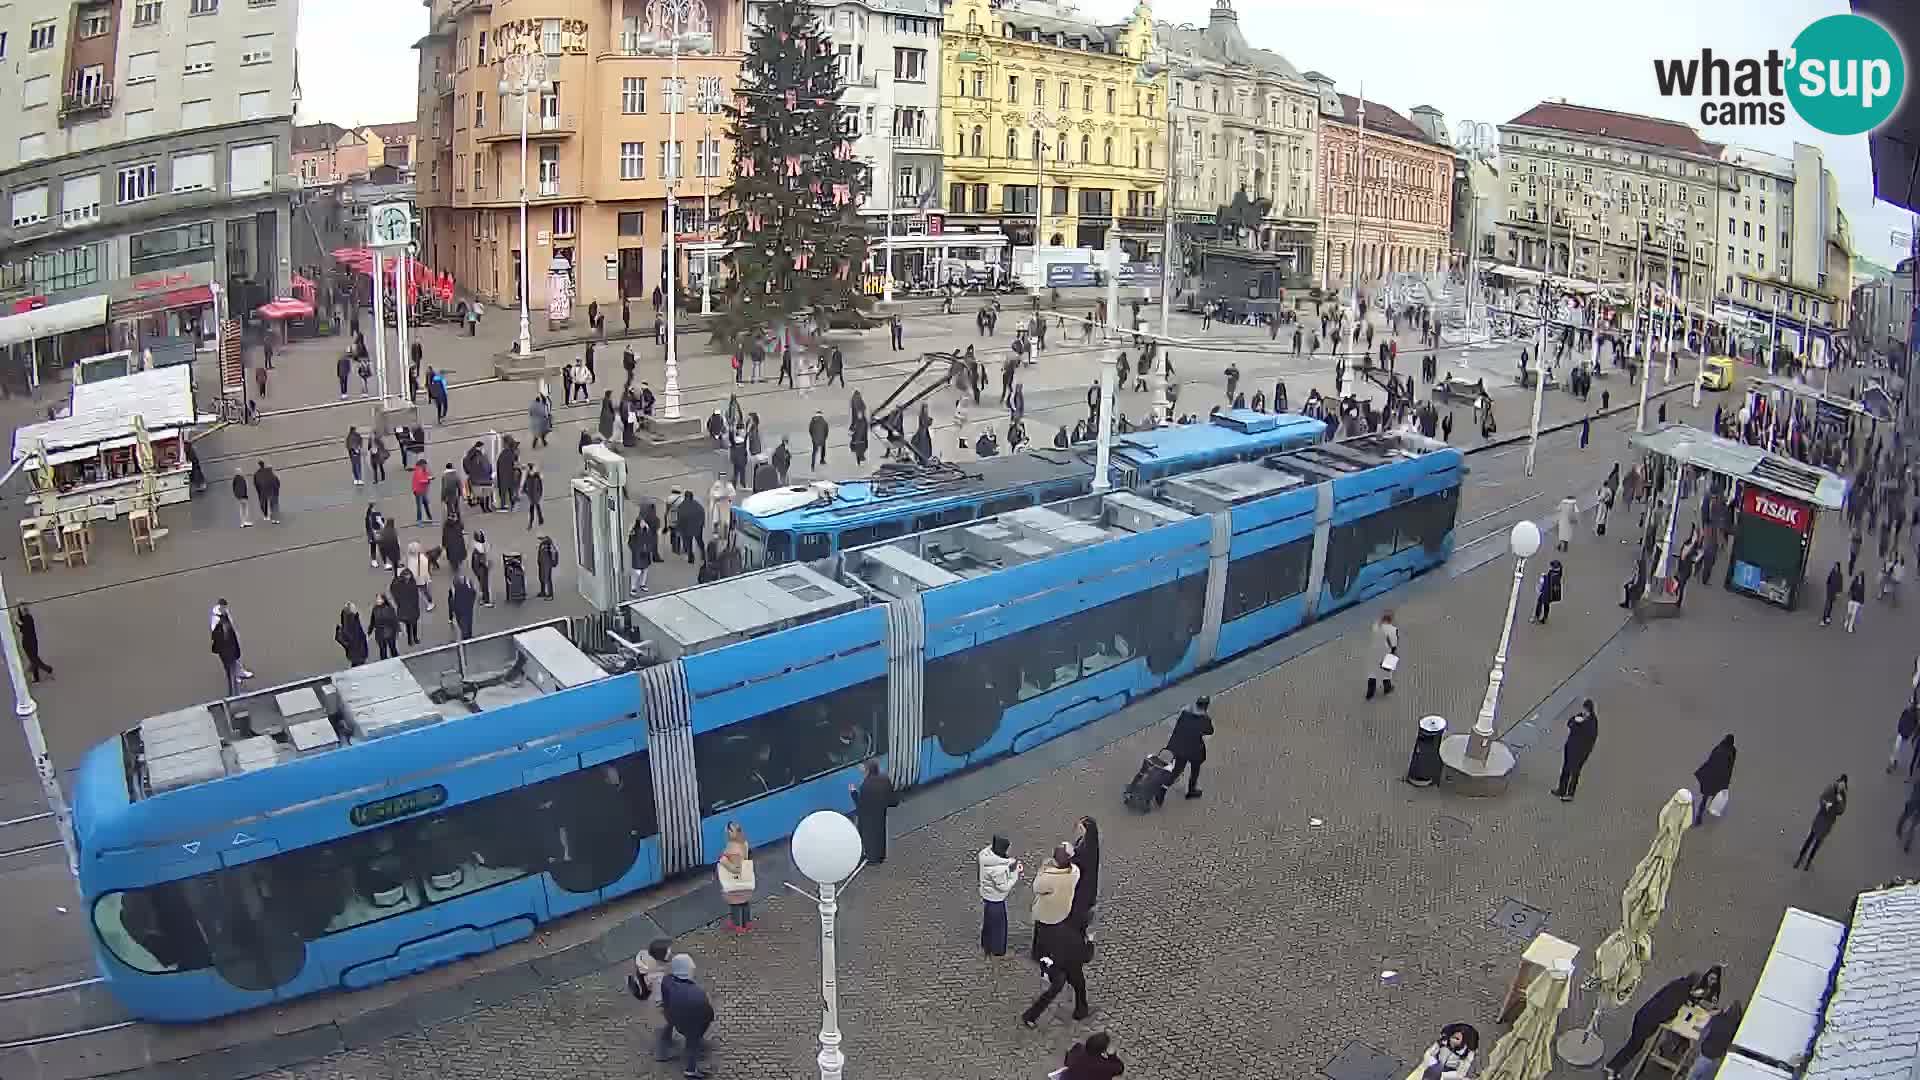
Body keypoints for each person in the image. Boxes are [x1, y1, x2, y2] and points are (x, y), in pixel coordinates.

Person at [1604, 970, 1722, 1079]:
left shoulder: (1679, 985)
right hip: (1647, 1021)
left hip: (1643, 1015)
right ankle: (1612, 1068)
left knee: (1633, 1045)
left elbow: (1680, 997)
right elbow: (1667, 1011)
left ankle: (1614, 1067)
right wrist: (1672, 1017)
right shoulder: (1680, 994)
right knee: (1633, 1047)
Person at [1023, 844, 1088, 1026]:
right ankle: (1081, 1008)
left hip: (1059, 958)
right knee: (1077, 983)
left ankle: (1031, 1016)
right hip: (1068, 959)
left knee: (1058, 986)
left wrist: (1045, 867)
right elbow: (1085, 953)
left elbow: (1037, 886)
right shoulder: (1074, 872)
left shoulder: (1049, 877)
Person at [656, 954, 714, 1078]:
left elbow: (665, 1000)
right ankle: (690, 1070)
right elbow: (708, 1015)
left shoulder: (666, 980)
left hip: (672, 1015)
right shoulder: (697, 993)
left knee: (669, 1023)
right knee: (693, 1043)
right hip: (689, 1025)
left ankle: (663, 1049)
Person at [977, 834, 1022, 956]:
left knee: (988, 922)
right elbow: (1003, 887)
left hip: (987, 895)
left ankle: (986, 943)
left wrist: (1008, 864)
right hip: (996, 899)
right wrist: (1015, 873)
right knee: (999, 927)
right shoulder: (997, 870)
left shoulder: (984, 855)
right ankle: (997, 949)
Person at [1793, 775, 1847, 871]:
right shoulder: (1830, 789)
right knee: (1810, 839)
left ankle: (1808, 862)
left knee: (1817, 843)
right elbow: (1821, 798)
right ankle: (1800, 858)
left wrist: (1840, 801)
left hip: (1828, 823)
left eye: (1843, 786)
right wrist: (1825, 804)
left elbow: (1841, 811)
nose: (1841, 787)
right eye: (1840, 784)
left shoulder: (1842, 796)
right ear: (1838, 782)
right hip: (1820, 818)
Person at [1164, 697, 1213, 802]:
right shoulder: (1205, 719)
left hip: (1181, 747)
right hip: (1194, 750)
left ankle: (1163, 786)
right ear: (1206, 706)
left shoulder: (1185, 714)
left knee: (1177, 770)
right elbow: (1209, 731)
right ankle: (1191, 791)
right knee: (1195, 770)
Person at [1552, 699, 1599, 801]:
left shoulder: (1592, 722)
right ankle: (1561, 789)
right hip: (1570, 747)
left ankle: (1570, 794)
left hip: (1580, 752)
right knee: (1565, 769)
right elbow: (1569, 723)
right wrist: (1575, 721)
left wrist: (1579, 725)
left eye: (1586, 710)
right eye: (1583, 710)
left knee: (1575, 772)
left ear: (1590, 711)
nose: (1584, 712)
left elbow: (1589, 738)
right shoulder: (1580, 716)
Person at [852, 760, 898, 864]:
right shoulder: (884, 779)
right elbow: (893, 800)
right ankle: (880, 857)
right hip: (880, 813)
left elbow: (860, 805)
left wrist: (853, 793)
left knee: (869, 836)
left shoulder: (865, 786)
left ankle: (872, 859)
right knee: (880, 834)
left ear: (867, 770)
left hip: (867, 816)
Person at [1687, 1000, 1743, 1080]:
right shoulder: (1735, 1027)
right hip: (1717, 1058)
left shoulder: (1718, 1019)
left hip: (1706, 1053)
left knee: (1693, 1076)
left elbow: (1704, 1032)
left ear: (1728, 1009)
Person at [716, 821, 755, 932]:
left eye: (728, 830)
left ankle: (737, 924)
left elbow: (736, 869)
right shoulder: (744, 843)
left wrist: (723, 861)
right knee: (744, 901)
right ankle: (747, 922)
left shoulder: (734, 848)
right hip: (745, 880)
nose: (726, 832)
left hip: (735, 881)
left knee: (735, 903)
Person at [209, 600, 252, 694]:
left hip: (231, 640)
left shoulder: (225, 613)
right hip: (224, 645)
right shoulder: (216, 619)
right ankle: (234, 687)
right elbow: (215, 633)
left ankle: (239, 671)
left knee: (236, 656)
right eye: (224, 607)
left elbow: (231, 624)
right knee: (229, 664)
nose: (225, 609)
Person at [1693, 734, 1737, 824]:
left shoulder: (1719, 748)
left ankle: (1699, 816)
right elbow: (1730, 767)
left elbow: (1711, 760)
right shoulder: (1733, 751)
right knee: (1716, 795)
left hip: (1711, 777)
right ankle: (1713, 808)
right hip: (1721, 779)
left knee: (1704, 798)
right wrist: (1727, 781)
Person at [1069, 816, 1100, 934]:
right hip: (1083, 883)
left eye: (1080, 827)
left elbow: (1080, 860)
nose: (1077, 828)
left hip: (1084, 885)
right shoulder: (1086, 840)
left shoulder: (1088, 846)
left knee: (1081, 909)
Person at [1059, 1032, 1125, 1079]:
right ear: (1103, 1050)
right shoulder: (1106, 1066)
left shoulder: (1077, 1048)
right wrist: (1112, 1056)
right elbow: (1119, 1069)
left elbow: (1067, 1062)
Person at [1366, 610, 1400, 699]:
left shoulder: (1375, 626)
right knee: (1386, 671)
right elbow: (1394, 643)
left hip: (1374, 651)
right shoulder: (1392, 629)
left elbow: (1376, 626)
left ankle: (1370, 691)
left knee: (1373, 670)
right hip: (1385, 651)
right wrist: (1394, 651)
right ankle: (1387, 687)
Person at [17, 606, 53, 682]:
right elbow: (21, 618)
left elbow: (24, 629)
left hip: (28, 642)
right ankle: (37, 677)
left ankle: (47, 669)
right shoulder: (28, 617)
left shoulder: (27, 620)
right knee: (33, 658)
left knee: (34, 659)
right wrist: (18, 608)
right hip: (32, 641)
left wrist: (18, 625)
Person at [368, 594, 401, 660]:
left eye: (379, 599)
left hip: (390, 632)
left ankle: (397, 661)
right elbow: (372, 621)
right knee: (383, 651)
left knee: (393, 648)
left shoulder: (390, 608)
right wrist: (369, 632)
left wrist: (398, 630)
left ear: (383, 600)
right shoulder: (375, 609)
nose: (377, 600)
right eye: (377, 599)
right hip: (380, 633)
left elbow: (394, 620)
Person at [1892, 697, 1918, 775]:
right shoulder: (1906, 711)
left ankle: (1895, 761)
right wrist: (1899, 728)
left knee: (1900, 750)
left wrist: (1910, 734)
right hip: (1901, 733)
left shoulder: (1915, 716)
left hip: (1906, 736)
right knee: (1896, 748)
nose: (1910, 704)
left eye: (1911, 703)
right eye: (1910, 702)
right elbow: (1901, 719)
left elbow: (1914, 727)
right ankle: (1893, 763)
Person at [1532, 559, 1564, 623]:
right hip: (1551, 594)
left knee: (1540, 603)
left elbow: (1546, 582)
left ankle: (1537, 616)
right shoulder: (1558, 574)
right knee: (1546, 605)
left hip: (1547, 593)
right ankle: (1544, 618)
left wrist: (1543, 577)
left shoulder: (1552, 576)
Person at [448, 572, 477, 640]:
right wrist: (471, 603)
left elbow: (450, 601)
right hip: (467, 607)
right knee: (468, 622)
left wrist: (451, 615)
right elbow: (474, 593)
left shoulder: (453, 587)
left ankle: (466, 637)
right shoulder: (468, 584)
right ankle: (468, 636)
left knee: (463, 624)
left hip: (459, 608)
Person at [470, 530, 494, 608]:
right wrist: (487, 565)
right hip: (482, 568)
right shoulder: (482, 548)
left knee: (482, 583)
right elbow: (485, 558)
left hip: (477, 568)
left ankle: (483, 597)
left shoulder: (476, 547)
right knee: (484, 584)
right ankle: (486, 600)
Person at [522, 463, 545, 528]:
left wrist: (540, 494)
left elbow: (540, 486)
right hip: (531, 495)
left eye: (528, 468)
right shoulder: (529, 476)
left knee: (534, 507)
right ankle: (538, 520)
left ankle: (533, 522)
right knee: (535, 507)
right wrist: (526, 491)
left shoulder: (536, 476)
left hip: (535, 495)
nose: (527, 470)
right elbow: (525, 485)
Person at [1822, 561, 1845, 625]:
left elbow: (1840, 584)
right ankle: (1823, 619)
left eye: (1836, 566)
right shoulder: (1831, 573)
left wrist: (1839, 592)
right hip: (1830, 592)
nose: (1835, 567)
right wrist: (1828, 588)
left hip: (1835, 593)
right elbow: (1828, 581)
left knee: (1830, 605)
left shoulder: (1840, 575)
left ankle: (1828, 617)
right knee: (1827, 606)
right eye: (1834, 566)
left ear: (1838, 567)